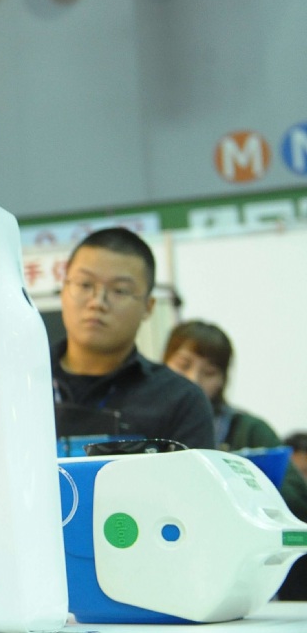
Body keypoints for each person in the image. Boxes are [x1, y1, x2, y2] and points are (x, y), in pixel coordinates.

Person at [162, 321, 307, 599]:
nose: (194, 380)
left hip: (239, 574)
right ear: (163, 363)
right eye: (183, 365)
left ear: (223, 380)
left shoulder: (250, 430)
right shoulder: (145, 423)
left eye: (209, 373)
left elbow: (299, 505)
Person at [50, 228, 214, 451]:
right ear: (63, 290)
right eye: (85, 284)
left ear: (148, 307)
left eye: (119, 290)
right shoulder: (18, 383)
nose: (97, 302)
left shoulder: (180, 400)